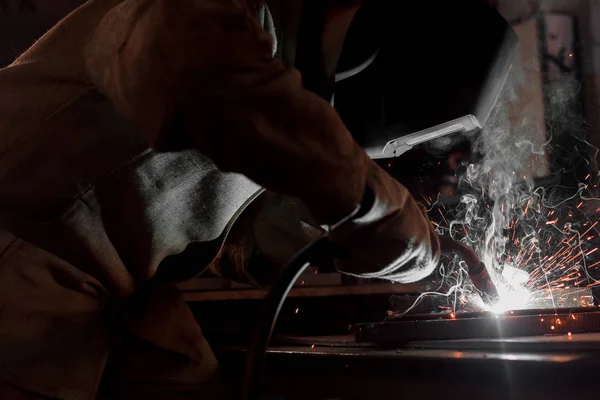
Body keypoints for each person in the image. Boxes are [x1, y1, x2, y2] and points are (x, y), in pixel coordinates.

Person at [0, 0, 440, 398]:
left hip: (112, 295)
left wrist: (310, 239)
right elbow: (180, 65)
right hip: (20, 258)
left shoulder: (269, 101)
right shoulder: (230, 18)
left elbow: (231, 227)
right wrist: (377, 207)